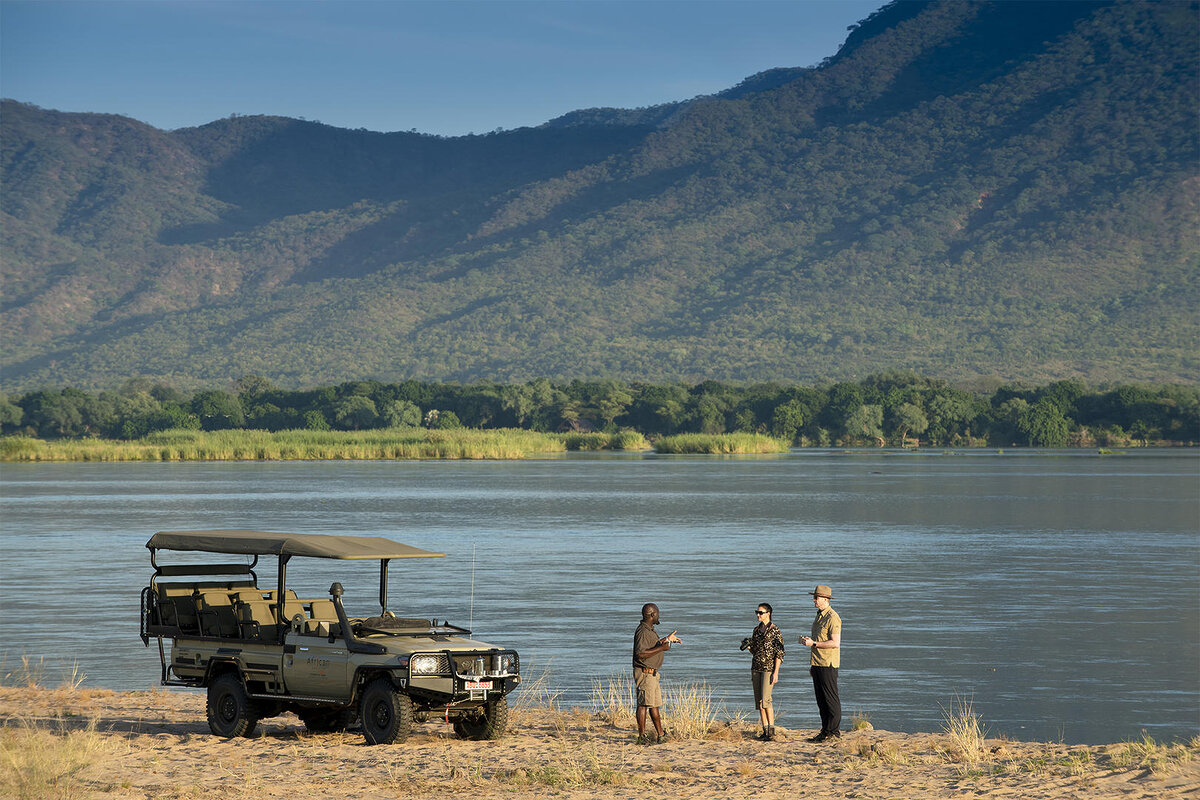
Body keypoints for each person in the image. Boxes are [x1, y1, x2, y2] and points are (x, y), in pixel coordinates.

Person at [633, 602, 682, 744]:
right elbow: (641, 654)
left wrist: (667, 639)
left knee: (654, 705)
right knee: (643, 705)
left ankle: (661, 735)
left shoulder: (649, 630)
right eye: (658, 613)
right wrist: (662, 649)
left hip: (652, 674)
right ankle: (642, 737)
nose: (659, 615)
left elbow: (652, 646)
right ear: (652, 614)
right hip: (645, 673)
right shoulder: (642, 631)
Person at [800, 584, 841, 742]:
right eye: (814, 597)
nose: (814, 600)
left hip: (828, 664)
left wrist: (814, 644)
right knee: (821, 699)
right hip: (817, 663)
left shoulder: (833, 617)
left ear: (825, 599)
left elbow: (835, 643)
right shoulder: (819, 615)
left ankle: (834, 732)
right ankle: (825, 731)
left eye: (816, 598)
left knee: (831, 699)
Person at [744, 602, 784, 741]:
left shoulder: (774, 631)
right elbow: (755, 651)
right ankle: (765, 730)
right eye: (757, 612)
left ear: (768, 614)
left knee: (766, 700)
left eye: (761, 613)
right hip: (756, 668)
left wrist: (776, 672)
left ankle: (771, 731)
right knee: (759, 701)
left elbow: (780, 653)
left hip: (768, 669)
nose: (758, 615)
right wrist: (748, 646)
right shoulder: (756, 630)